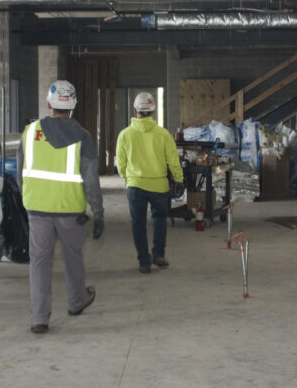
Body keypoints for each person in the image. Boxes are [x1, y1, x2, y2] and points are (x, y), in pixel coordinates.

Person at [18, 80, 104, 334]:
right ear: (73, 107)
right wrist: (98, 212)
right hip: (69, 209)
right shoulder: (83, 137)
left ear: (49, 104)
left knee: (39, 261)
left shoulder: (30, 132)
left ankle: (39, 318)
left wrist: (29, 199)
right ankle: (77, 302)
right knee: (73, 256)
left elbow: (21, 173)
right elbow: (91, 180)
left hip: (37, 207)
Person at [115, 92, 183, 274]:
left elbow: (120, 164)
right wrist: (179, 178)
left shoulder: (125, 135)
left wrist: (128, 177)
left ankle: (144, 262)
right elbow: (173, 160)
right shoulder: (163, 134)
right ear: (153, 111)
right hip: (159, 186)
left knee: (138, 223)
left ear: (135, 110)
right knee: (160, 220)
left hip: (135, 186)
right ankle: (158, 254)